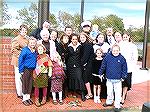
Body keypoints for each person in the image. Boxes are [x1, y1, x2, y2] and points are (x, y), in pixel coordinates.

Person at [99, 44, 127, 111]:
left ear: (119, 51)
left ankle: (117, 105)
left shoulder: (122, 58)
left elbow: (124, 68)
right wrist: (100, 72)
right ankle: (109, 102)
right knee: (109, 92)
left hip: (118, 80)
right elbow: (103, 65)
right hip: (109, 79)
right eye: (114, 50)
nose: (115, 52)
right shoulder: (107, 57)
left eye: (117, 50)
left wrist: (123, 76)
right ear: (111, 50)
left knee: (118, 93)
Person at [37, 29, 56, 101]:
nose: (45, 36)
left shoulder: (52, 43)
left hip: (49, 62)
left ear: (49, 35)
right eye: (44, 35)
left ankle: (46, 96)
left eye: (47, 35)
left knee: (48, 79)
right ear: (41, 36)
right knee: (40, 79)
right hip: (40, 63)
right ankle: (40, 96)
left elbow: (54, 52)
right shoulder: (38, 42)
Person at [66, 33, 86, 101]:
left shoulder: (81, 46)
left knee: (79, 77)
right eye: (73, 39)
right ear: (71, 39)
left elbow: (82, 55)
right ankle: (74, 91)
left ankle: (83, 93)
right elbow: (67, 56)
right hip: (70, 65)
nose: (75, 40)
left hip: (78, 65)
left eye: (76, 39)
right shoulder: (68, 46)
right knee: (72, 78)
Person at [11, 24, 29, 99]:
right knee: (18, 77)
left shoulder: (27, 38)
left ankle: (24, 92)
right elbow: (13, 50)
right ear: (20, 31)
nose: (24, 32)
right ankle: (19, 93)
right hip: (18, 61)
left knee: (23, 77)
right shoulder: (17, 39)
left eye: (25, 30)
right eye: (23, 30)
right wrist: (22, 55)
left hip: (25, 61)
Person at [18, 37, 37, 106]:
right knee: (25, 83)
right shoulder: (25, 50)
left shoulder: (35, 50)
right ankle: (24, 99)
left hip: (32, 70)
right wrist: (21, 70)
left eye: (34, 43)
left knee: (30, 83)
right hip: (25, 69)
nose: (32, 44)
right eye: (31, 43)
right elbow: (20, 60)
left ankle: (28, 98)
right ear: (28, 43)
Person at [120, 32, 138, 105]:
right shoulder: (120, 45)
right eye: (123, 37)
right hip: (120, 66)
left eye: (126, 37)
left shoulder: (133, 46)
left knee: (126, 83)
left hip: (129, 66)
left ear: (129, 37)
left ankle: (123, 97)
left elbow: (135, 56)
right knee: (120, 82)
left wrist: (133, 65)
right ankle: (119, 96)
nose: (125, 38)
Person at [80, 32, 94, 100]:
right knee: (86, 79)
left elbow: (85, 57)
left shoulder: (87, 45)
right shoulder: (83, 45)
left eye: (83, 37)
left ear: (86, 38)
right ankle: (89, 93)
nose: (82, 39)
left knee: (86, 79)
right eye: (81, 37)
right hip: (87, 64)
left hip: (88, 65)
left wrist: (82, 64)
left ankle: (89, 93)